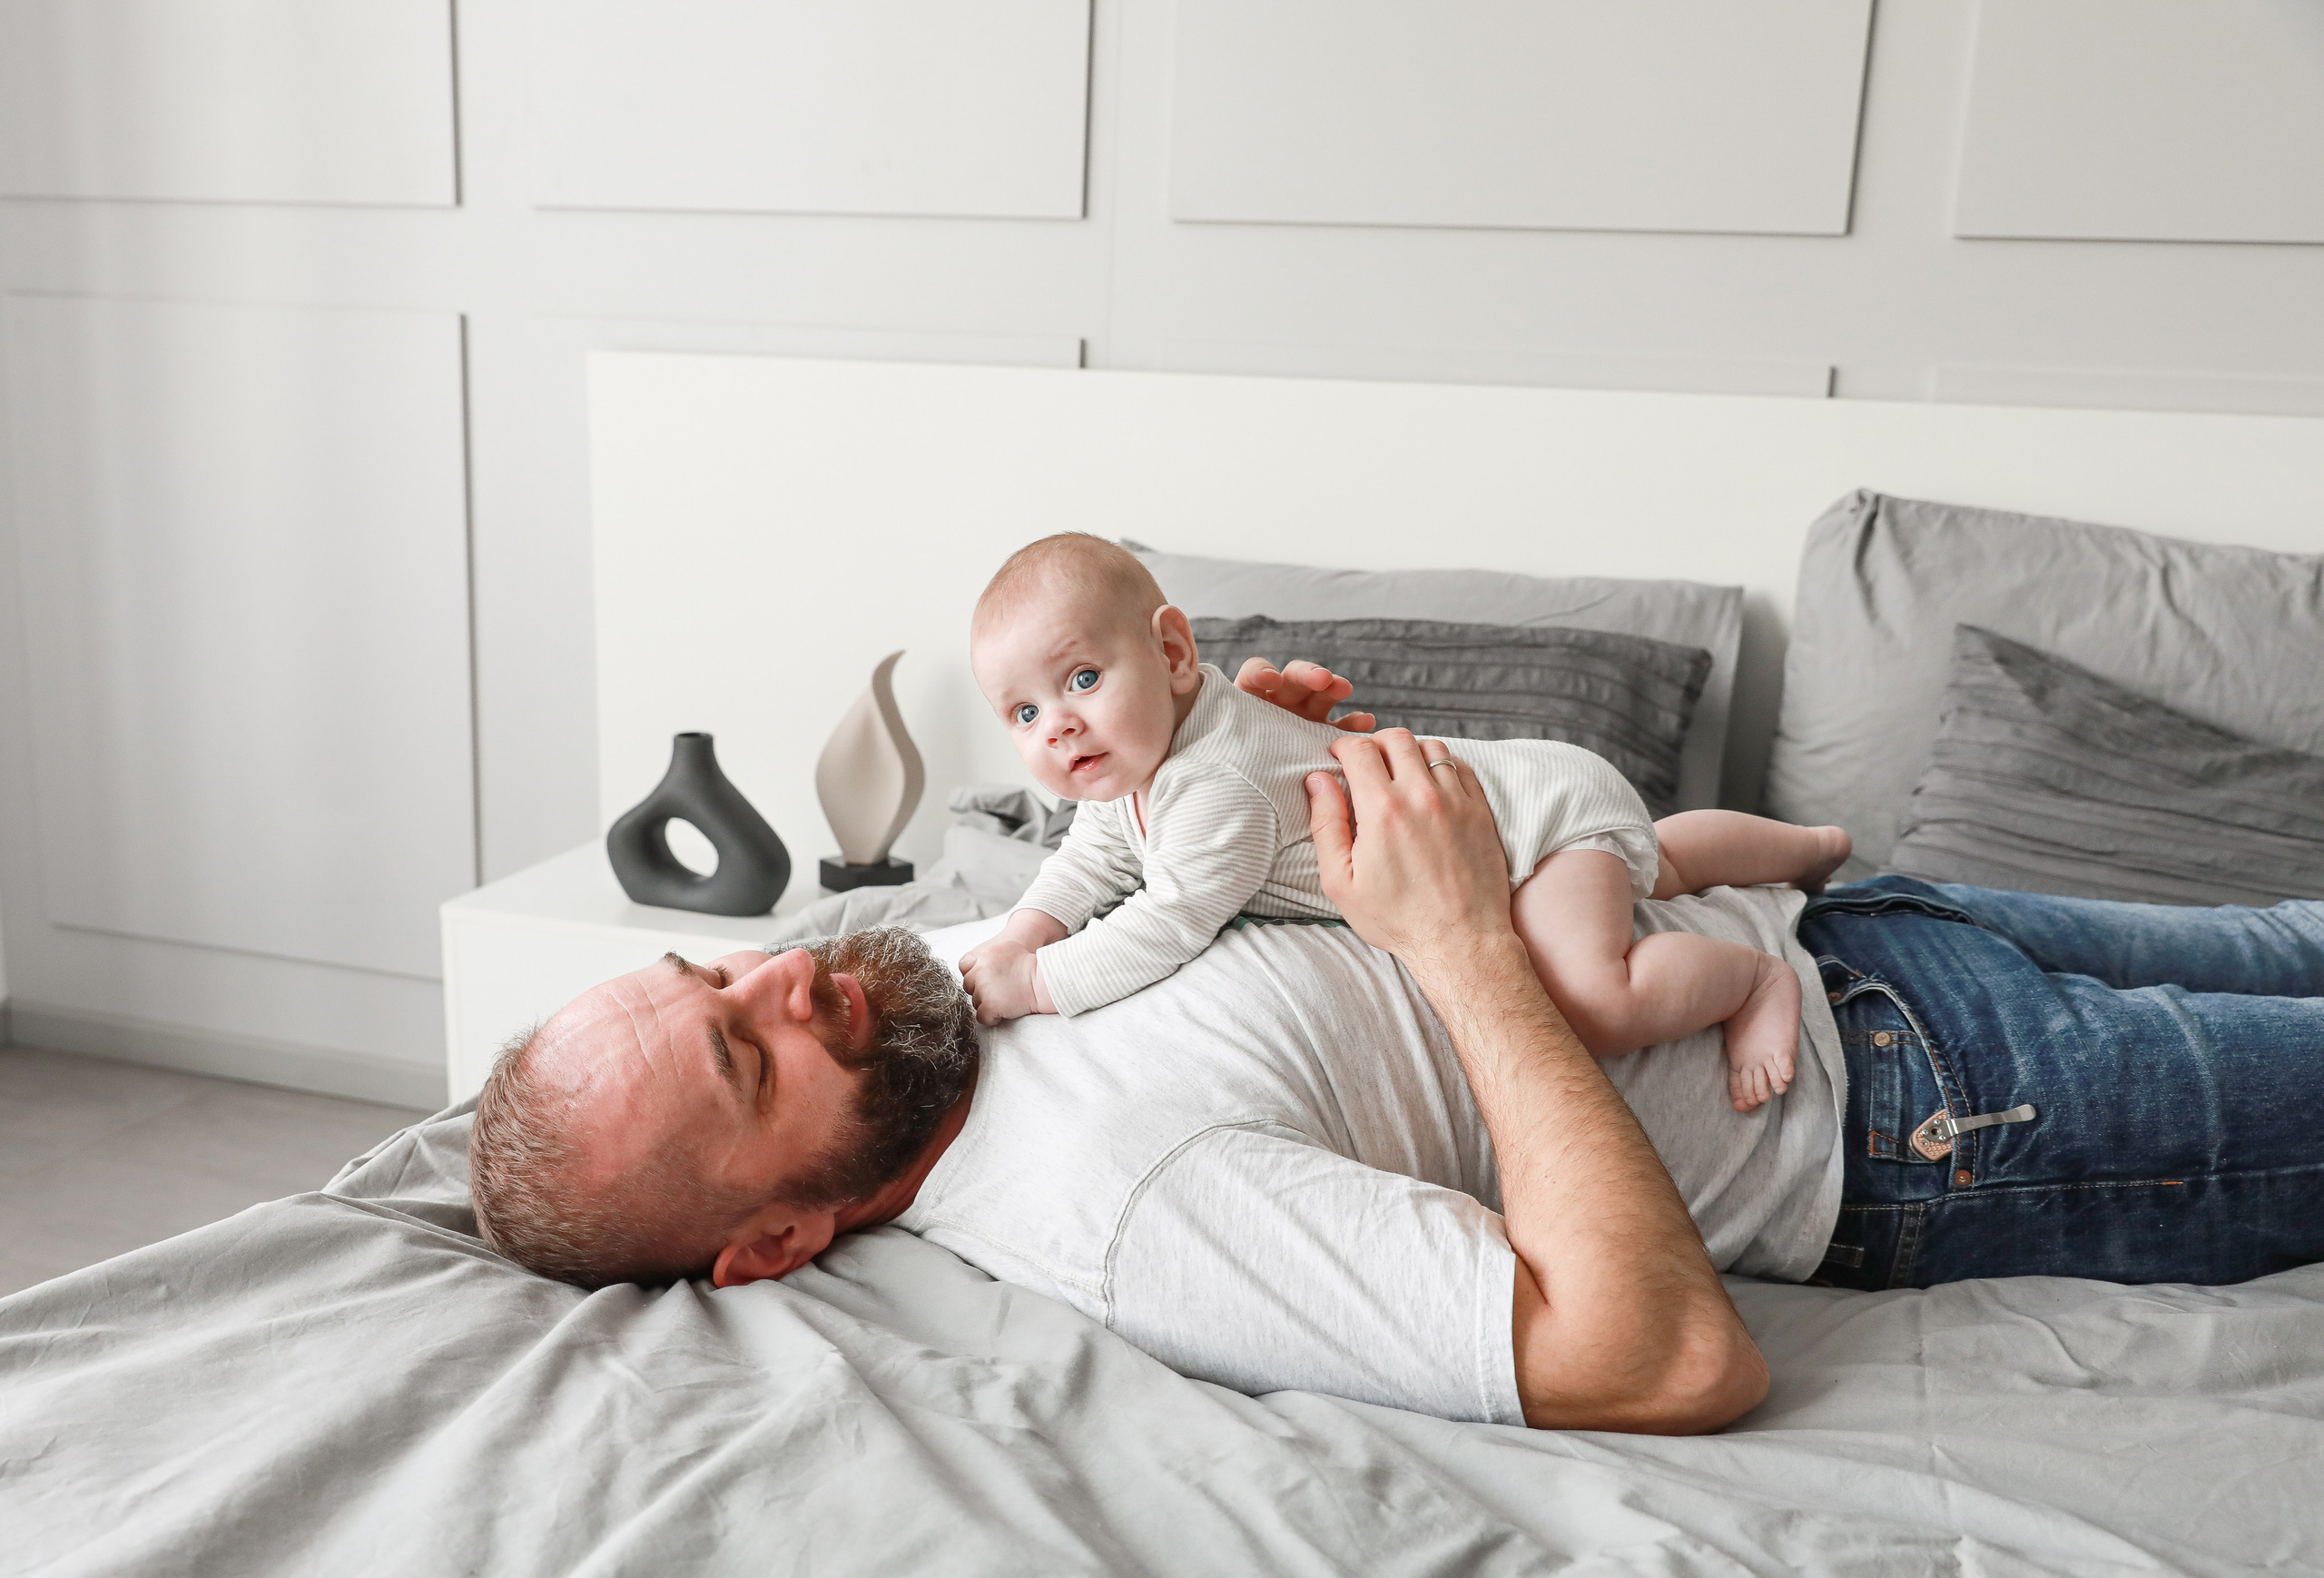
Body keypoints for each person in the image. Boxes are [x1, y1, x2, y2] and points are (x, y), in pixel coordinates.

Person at [468, 671, 2324, 1435]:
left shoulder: (929, 977)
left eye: (720, 977)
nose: (793, 992)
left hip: (1845, 927)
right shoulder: (1111, 1195)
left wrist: (1249, 763)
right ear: (775, 1240)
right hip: (1917, 1112)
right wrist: (1455, 949)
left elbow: (1188, 867)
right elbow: (1661, 1356)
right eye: (744, 1066)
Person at [958, 534, 1849, 1111]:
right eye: (1023, 713)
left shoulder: (1215, 785)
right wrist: (1024, 930)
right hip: (1531, 789)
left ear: (1173, 651)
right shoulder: (1149, 760)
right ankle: (1804, 846)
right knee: (1653, 860)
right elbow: (1091, 858)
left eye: (1079, 679)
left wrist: (1033, 982)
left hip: (1529, 830)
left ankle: (1752, 980)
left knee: (1592, 994)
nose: (1059, 723)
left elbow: (1165, 924)